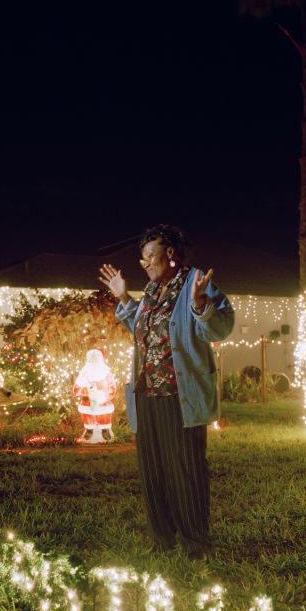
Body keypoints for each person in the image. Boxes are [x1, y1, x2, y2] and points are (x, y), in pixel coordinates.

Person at [98, 225, 234, 558]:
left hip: (179, 394)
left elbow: (221, 327)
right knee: (154, 471)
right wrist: (123, 298)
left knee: (185, 469)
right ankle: (162, 540)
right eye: (141, 257)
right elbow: (143, 332)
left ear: (169, 253)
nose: (144, 262)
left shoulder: (195, 283)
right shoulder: (150, 292)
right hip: (146, 394)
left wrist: (201, 304)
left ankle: (195, 543)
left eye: (149, 255)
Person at [72, 348, 116, 444]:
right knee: (88, 416)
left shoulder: (107, 374)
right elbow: (76, 389)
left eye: (96, 359)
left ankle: (105, 429)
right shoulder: (83, 375)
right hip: (88, 401)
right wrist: (85, 391)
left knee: (104, 415)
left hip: (103, 402)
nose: (94, 361)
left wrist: (103, 395)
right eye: (92, 359)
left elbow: (112, 389)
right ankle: (89, 429)